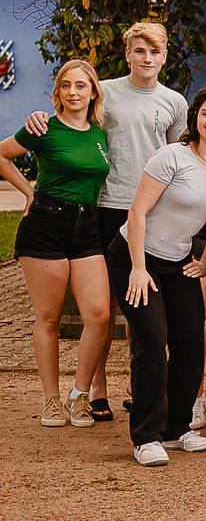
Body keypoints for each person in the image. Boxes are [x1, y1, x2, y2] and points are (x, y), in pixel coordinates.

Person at [24, 23, 188, 421]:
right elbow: (73, 121)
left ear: (164, 57)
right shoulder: (107, 91)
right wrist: (40, 117)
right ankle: (97, 389)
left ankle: (138, 382)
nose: (147, 59)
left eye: (154, 52)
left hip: (150, 210)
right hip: (106, 205)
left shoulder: (174, 102)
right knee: (102, 306)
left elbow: (179, 155)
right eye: (139, 51)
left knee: (140, 298)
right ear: (127, 53)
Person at [109, 83, 206, 465]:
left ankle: (176, 429)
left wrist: (204, 261)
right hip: (134, 257)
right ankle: (146, 436)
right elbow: (136, 213)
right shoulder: (171, 156)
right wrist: (138, 269)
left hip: (178, 262)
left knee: (190, 343)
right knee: (152, 342)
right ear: (195, 117)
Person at [0, 61, 111, 428]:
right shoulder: (42, 127)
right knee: (47, 319)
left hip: (87, 226)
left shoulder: (99, 133)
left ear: (93, 91)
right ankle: (50, 400)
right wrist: (27, 190)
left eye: (81, 86)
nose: (74, 92)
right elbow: (1, 153)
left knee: (98, 315)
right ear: (58, 91)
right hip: (46, 224)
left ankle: (79, 395)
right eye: (66, 85)